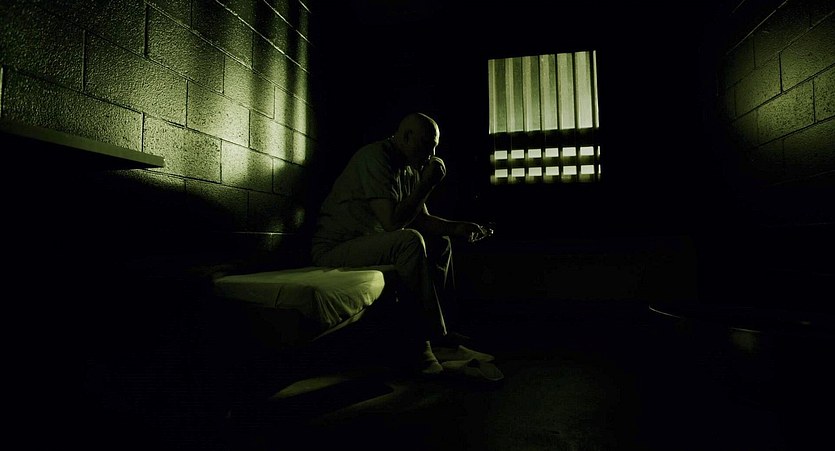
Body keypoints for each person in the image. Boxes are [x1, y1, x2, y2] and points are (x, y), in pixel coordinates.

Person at [310, 112, 494, 376]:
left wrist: (458, 228)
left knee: (441, 243)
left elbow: (422, 220)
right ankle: (424, 345)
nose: (431, 154)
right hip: (335, 248)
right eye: (427, 145)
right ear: (406, 137)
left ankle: (443, 336)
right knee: (409, 240)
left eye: (435, 147)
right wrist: (427, 184)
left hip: (366, 243)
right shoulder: (375, 158)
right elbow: (393, 223)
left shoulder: (409, 166)